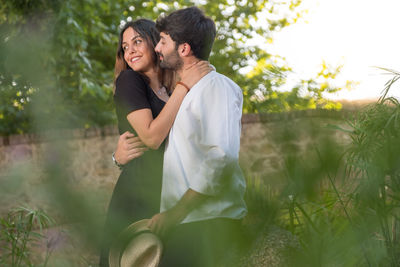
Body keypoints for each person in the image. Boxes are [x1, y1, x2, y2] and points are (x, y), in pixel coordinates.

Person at [118, 6, 247, 266]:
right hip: (187, 223)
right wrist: (117, 157)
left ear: (184, 49)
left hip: (208, 223)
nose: (157, 47)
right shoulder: (186, 91)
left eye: (163, 41)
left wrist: (176, 212)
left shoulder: (216, 87)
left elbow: (221, 158)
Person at [99, 18, 211, 267]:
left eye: (137, 42)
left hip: (170, 188)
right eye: (125, 47)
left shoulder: (169, 90)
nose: (130, 51)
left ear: (155, 43)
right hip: (139, 190)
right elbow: (151, 138)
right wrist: (185, 86)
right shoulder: (130, 82)